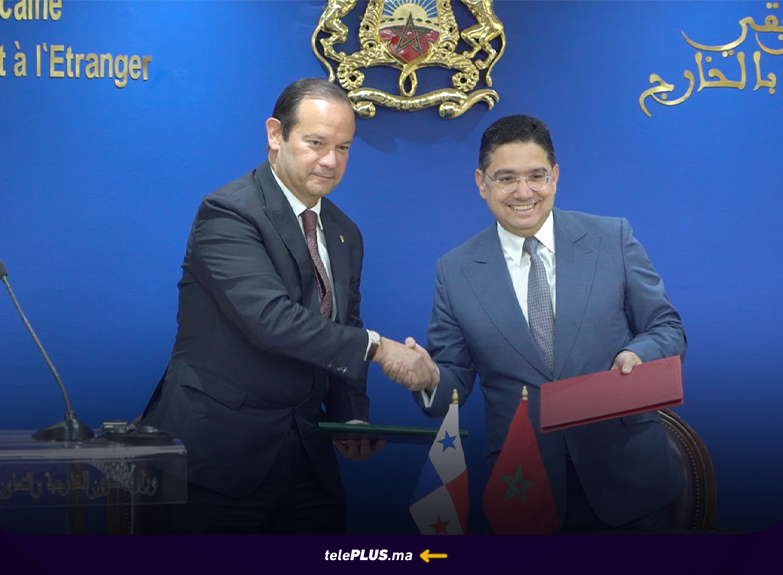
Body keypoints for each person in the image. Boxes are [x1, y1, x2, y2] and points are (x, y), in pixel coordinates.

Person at [139, 78, 436, 534]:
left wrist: (350, 417)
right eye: (316, 143)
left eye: (343, 147)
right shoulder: (228, 212)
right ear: (276, 134)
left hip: (307, 461)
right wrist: (380, 348)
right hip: (218, 457)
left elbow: (344, 325)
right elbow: (272, 321)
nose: (331, 160)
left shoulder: (344, 231)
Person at [392, 114, 686, 532]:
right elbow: (452, 381)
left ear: (555, 177)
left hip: (628, 476)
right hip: (524, 489)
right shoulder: (454, 272)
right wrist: (428, 378)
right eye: (506, 178)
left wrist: (636, 354)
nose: (523, 192)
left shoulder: (612, 238)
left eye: (536, 176)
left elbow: (667, 328)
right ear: (481, 183)